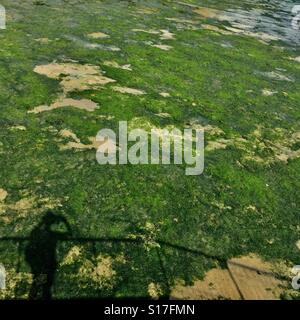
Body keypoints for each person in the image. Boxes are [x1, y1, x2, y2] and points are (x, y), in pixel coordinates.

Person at [25, 211, 72, 299]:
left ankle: (31, 297)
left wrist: (42, 222)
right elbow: (69, 235)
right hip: (49, 264)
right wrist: (65, 221)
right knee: (45, 286)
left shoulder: (37, 233)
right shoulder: (53, 235)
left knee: (38, 283)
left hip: (40, 263)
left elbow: (33, 235)